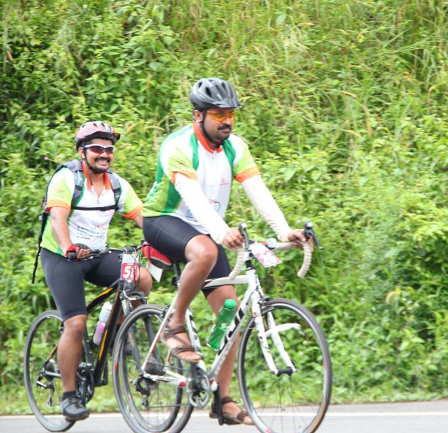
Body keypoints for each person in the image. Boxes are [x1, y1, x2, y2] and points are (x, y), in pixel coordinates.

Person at [141, 77, 308, 425]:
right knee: (204, 251)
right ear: (198, 116)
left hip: (204, 229)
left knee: (230, 315)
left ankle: (223, 401)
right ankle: (174, 323)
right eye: (219, 115)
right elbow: (193, 198)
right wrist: (220, 232)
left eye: (230, 114)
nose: (227, 121)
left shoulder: (235, 147)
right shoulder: (178, 146)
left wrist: (284, 230)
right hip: (164, 219)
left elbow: (258, 191)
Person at [40, 121, 153, 421]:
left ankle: (112, 333)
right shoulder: (67, 179)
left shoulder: (117, 185)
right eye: (97, 149)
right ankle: (69, 395)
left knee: (140, 277)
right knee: (76, 323)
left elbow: (144, 218)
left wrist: (163, 241)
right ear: (82, 152)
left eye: (109, 149)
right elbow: (58, 219)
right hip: (62, 257)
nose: (104, 154)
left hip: (97, 254)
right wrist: (67, 246)